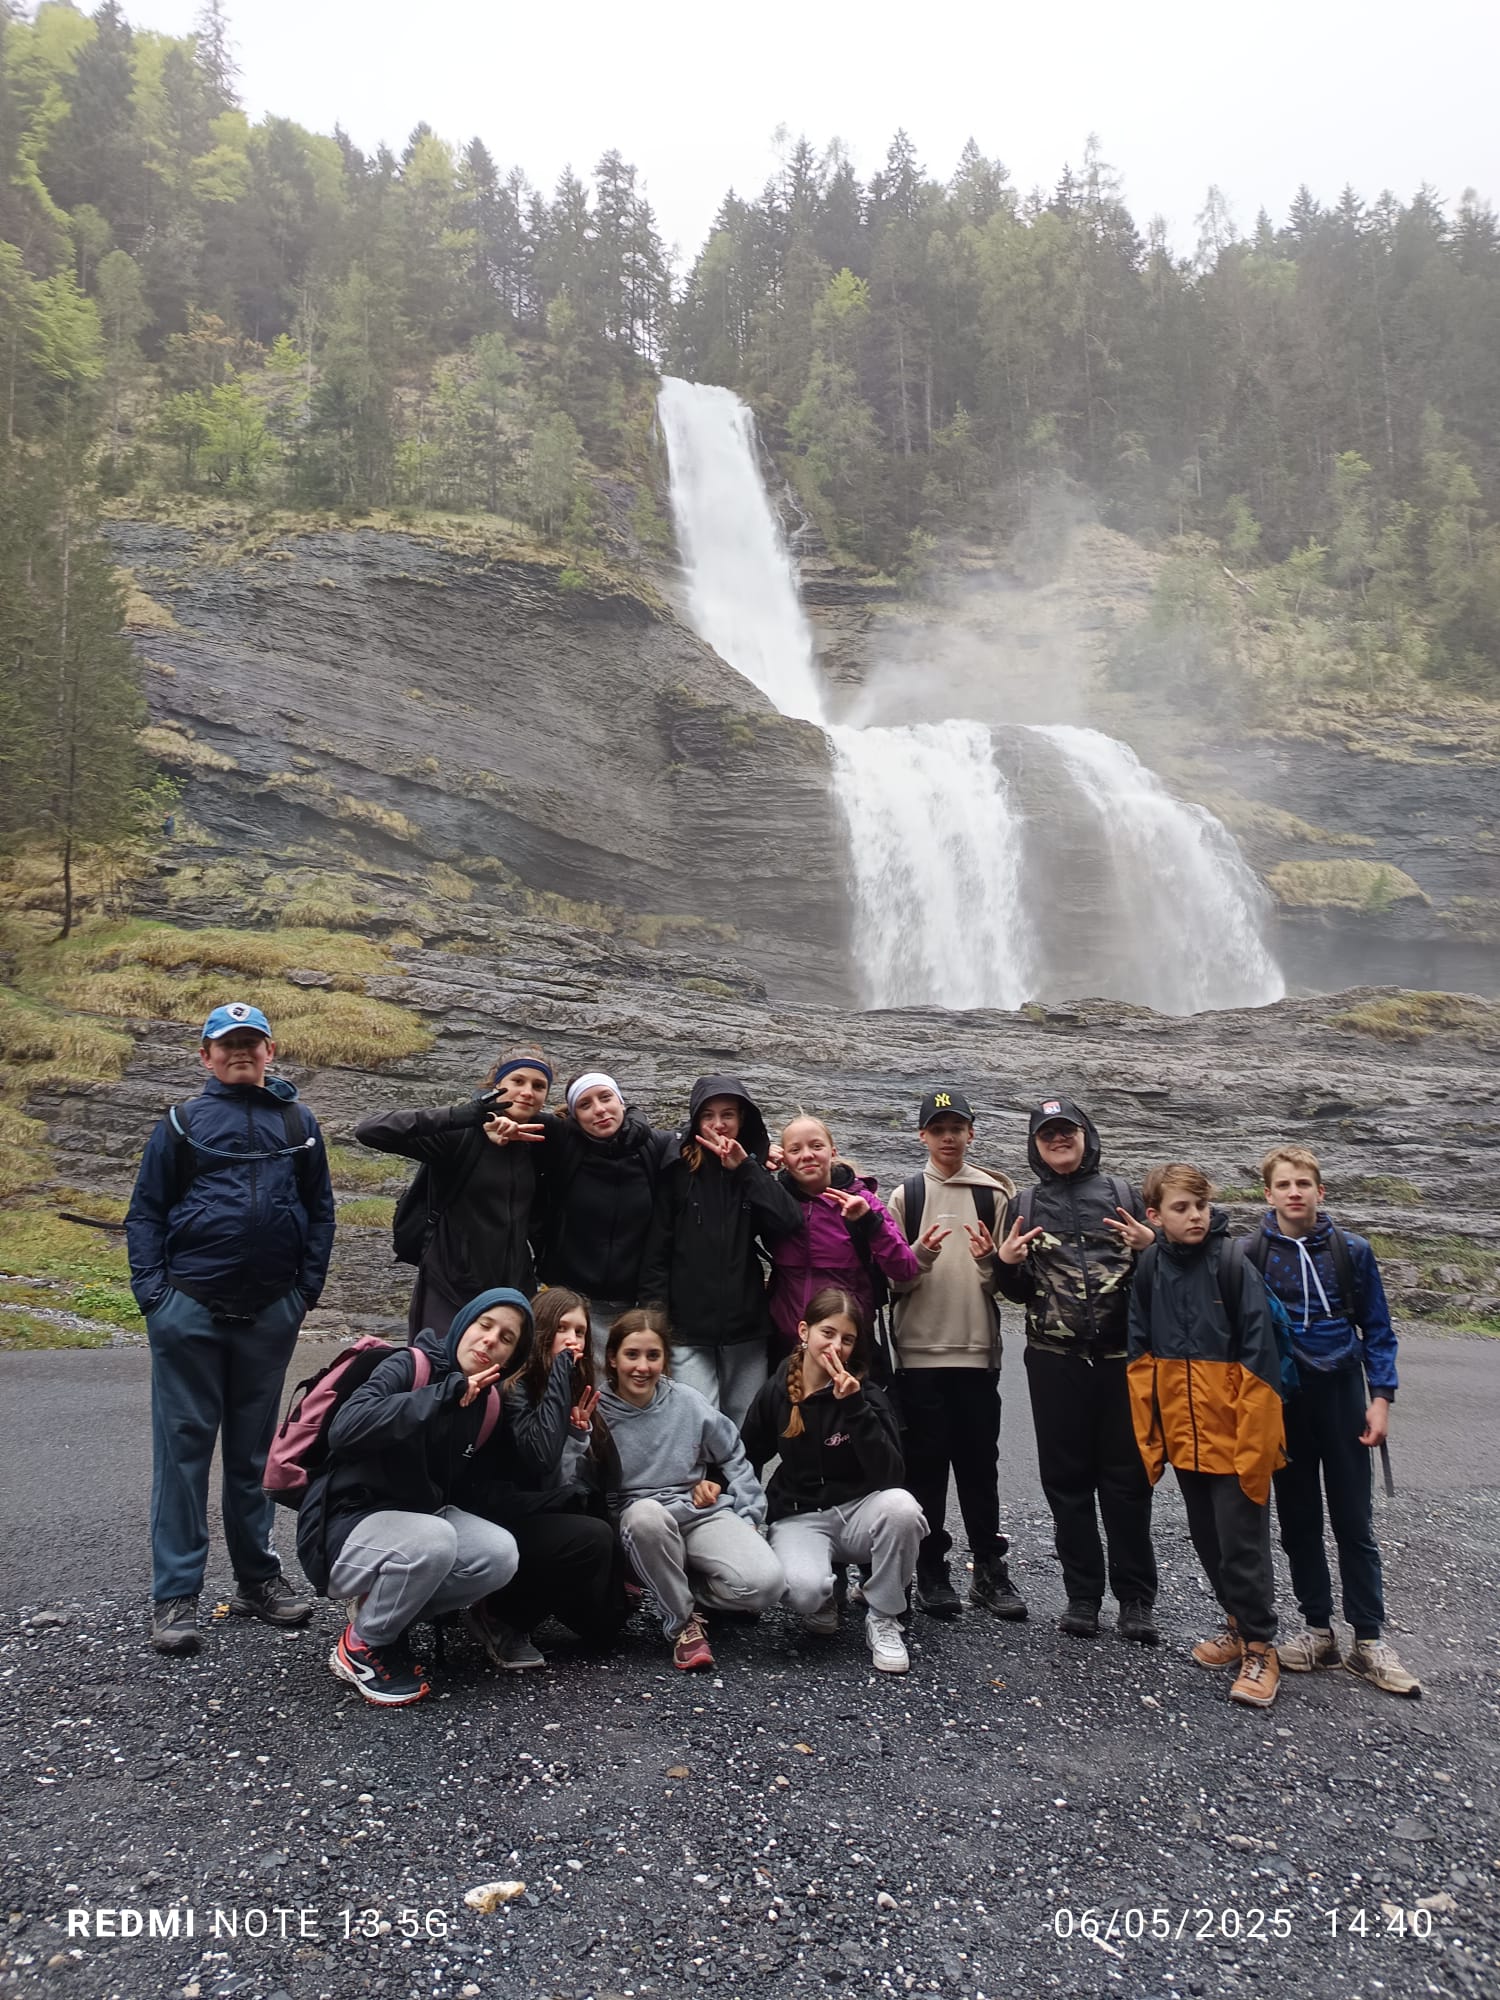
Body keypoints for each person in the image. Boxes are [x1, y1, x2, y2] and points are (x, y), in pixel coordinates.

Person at [125, 1002, 334, 1657]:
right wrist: (155, 1299)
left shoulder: (299, 1124)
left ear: (270, 1051)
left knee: (254, 1456)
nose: (241, 1052)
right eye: (227, 1043)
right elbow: (146, 1212)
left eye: (252, 1042)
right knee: (182, 1456)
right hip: (189, 1309)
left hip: (269, 1313)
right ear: (206, 1055)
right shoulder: (181, 1122)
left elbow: (320, 1212)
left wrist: (301, 1295)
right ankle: (176, 1596)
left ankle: (257, 1582)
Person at [301, 1289, 560, 1707]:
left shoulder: (488, 1404)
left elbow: (486, 1490)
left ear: (511, 1358)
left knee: (499, 1553)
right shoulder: (410, 1365)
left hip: (415, 1529)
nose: (491, 1340)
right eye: (485, 1325)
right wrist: (443, 1395)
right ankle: (363, 1646)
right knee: (435, 1538)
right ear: (463, 1325)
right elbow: (345, 1430)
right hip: (343, 1529)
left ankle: (380, 1616)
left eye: (507, 1338)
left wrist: (567, 1492)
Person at [1252, 1146, 1420, 1698]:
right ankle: (1318, 1632)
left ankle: (1368, 1640)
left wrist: (1381, 1399)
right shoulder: (1250, 1253)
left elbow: (1378, 1329)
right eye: (1284, 1184)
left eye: (1303, 1183)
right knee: (1299, 1520)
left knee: (1354, 1520)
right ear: (1268, 1194)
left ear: (1320, 1192)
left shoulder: (1352, 1251)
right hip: (1285, 1400)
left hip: (1344, 1393)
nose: (1294, 1192)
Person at [993, 1097, 1159, 1643]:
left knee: (1128, 1482)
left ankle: (1136, 1600)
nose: (1058, 1139)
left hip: (1121, 1362)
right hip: (1054, 1362)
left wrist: (1151, 1248)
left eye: (1067, 1130)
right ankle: (1082, 1596)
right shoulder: (1023, 1203)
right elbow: (1017, 1291)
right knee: (1066, 1482)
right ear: (1035, 1145)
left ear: (1087, 1135)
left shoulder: (1124, 1195)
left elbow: (1158, 1281)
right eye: (1048, 1134)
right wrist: (1006, 1264)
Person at [1127, 1165, 1286, 1709]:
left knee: (1243, 1546)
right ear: (1155, 1216)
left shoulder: (1233, 1263)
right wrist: (1153, 1438)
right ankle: (1237, 1626)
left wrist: (1255, 1446)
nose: (1195, 1216)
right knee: (1208, 1539)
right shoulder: (1149, 1267)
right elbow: (1141, 1356)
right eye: (1181, 1208)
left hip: (1237, 1436)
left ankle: (1261, 1648)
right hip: (1184, 1435)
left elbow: (1260, 1361)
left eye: (1200, 1206)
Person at [887, 1089, 1024, 1622]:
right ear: (923, 1135)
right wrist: (919, 1256)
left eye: (957, 1127)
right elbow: (891, 1283)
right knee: (925, 1469)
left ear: (971, 1132)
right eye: (938, 1128)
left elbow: (1006, 1284)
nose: (948, 1137)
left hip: (977, 1352)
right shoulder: (906, 1196)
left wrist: (991, 1262)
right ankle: (932, 1569)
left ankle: (989, 1568)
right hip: (918, 1354)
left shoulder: (994, 1195)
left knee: (979, 1466)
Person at [741, 1287, 924, 1674]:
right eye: (827, 1333)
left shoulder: (867, 1393)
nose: (836, 1346)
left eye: (847, 1339)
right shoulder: (777, 1390)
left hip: (858, 1513)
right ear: (804, 1331)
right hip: (801, 1515)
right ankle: (826, 1591)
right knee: (804, 1592)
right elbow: (747, 1454)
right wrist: (743, 1518)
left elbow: (892, 1476)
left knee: (903, 1510)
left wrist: (854, 1408)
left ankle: (883, 1615)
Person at [595, 1308, 784, 1672]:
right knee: (646, 1516)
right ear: (613, 1359)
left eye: (653, 1355)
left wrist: (748, 1515)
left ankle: (680, 1587)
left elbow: (733, 1453)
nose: (642, 1366)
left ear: (665, 1360)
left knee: (767, 1585)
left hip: (697, 1512)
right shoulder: (597, 1412)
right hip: (640, 1528)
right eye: (632, 1354)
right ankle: (681, 1623)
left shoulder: (687, 1401)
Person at [465, 1287, 630, 1668]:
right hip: (497, 1519)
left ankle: (544, 1595)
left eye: (580, 1332)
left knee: (606, 1628)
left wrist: (576, 1438)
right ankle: (500, 1617)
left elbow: (584, 1481)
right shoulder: (514, 1386)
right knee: (590, 1537)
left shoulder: (572, 1388)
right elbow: (539, 1456)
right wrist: (559, 1372)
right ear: (539, 1332)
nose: (573, 1340)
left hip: (539, 1510)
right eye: (562, 1329)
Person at [354, 1045, 552, 1338]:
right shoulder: (461, 1136)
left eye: (538, 1086)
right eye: (518, 1081)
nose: (527, 1092)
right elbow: (370, 1131)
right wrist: (466, 1115)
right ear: (496, 1084)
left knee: (502, 1368)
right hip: (449, 1286)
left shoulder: (540, 1141)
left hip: (511, 1291)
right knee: (439, 1364)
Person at [639, 1074, 802, 1423]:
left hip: (746, 1328)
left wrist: (746, 1168)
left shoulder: (752, 1170)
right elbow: (657, 1252)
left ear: (742, 1119)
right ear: (696, 1120)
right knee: (699, 1421)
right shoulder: (677, 1170)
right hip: (687, 1328)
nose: (718, 1124)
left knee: (747, 1423)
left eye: (727, 1114)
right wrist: (655, 1320)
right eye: (708, 1115)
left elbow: (789, 1221)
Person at [488, 1071, 668, 1360]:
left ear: (621, 1102)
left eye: (606, 1098)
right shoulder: (562, 1141)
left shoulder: (653, 1146)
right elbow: (507, 1109)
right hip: (565, 1300)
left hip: (628, 1305)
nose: (599, 1109)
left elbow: (699, 1135)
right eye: (585, 1105)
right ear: (575, 1116)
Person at [766, 1115, 920, 1359]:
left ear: (833, 1152)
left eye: (816, 1146)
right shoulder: (774, 1201)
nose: (807, 1155)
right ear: (783, 1158)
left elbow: (905, 1269)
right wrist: (756, 1165)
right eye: (795, 1150)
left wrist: (870, 1222)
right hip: (787, 1344)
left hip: (846, 1345)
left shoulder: (861, 1200)